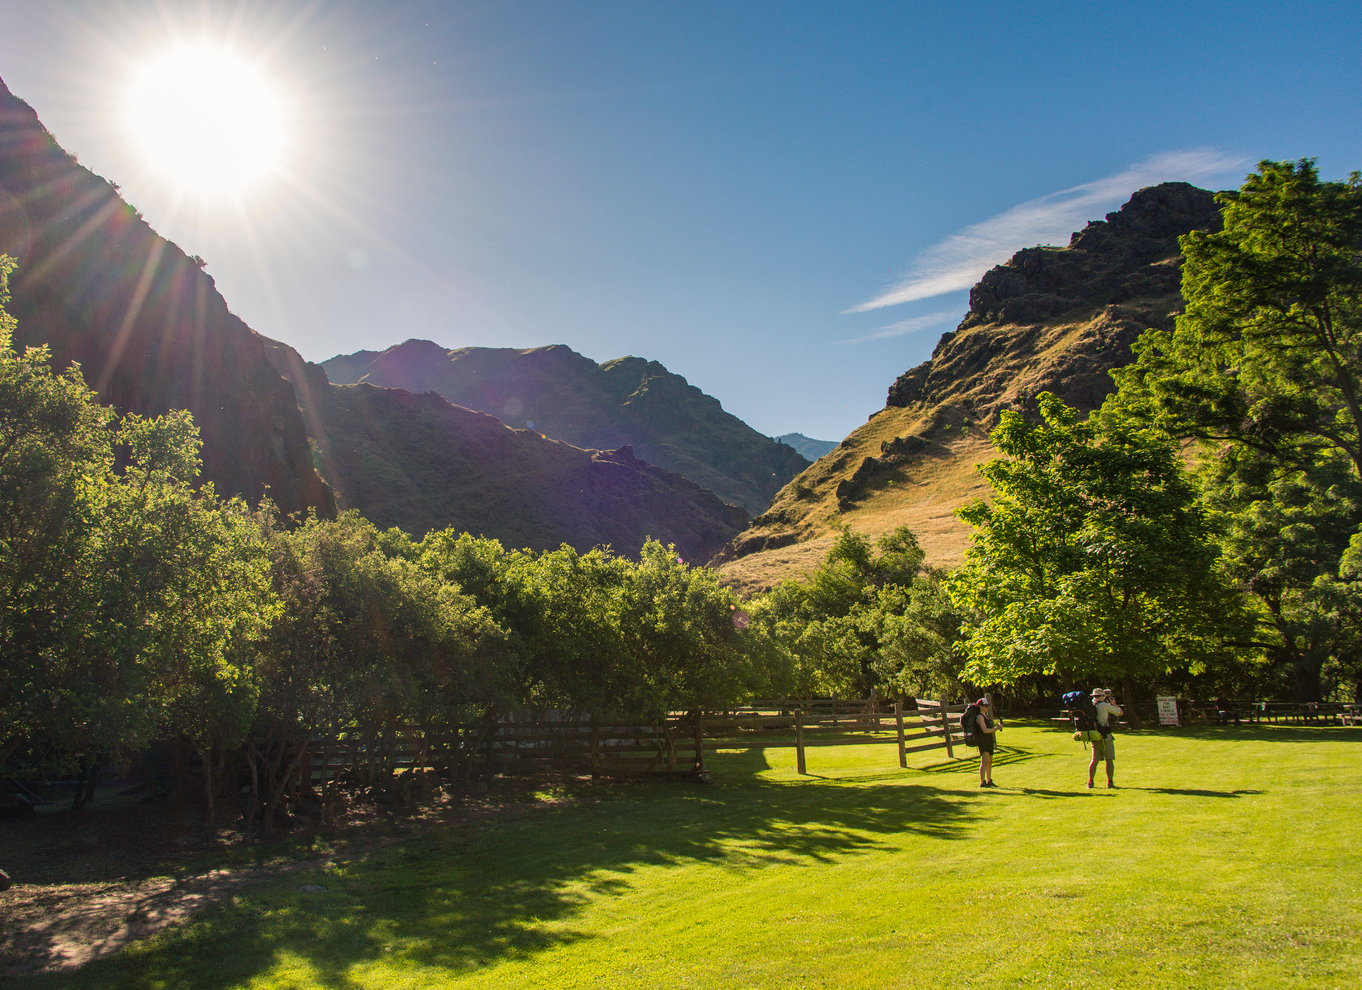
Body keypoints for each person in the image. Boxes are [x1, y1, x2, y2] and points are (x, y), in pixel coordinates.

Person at [1087, 687, 1123, 789]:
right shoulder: (1104, 705)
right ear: (1102, 696)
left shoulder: (1089, 705)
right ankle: (1110, 782)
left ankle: (1090, 782)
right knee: (1109, 759)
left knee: (1094, 760)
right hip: (1105, 734)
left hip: (1094, 734)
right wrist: (1114, 704)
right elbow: (1119, 712)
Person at [973, 698, 1002, 787]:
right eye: (985, 706)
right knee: (984, 761)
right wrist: (996, 729)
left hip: (989, 740)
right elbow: (984, 730)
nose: (987, 708)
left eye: (987, 706)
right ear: (980, 707)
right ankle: (982, 782)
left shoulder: (986, 716)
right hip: (983, 741)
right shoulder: (979, 717)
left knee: (989, 761)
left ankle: (989, 780)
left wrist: (996, 727)